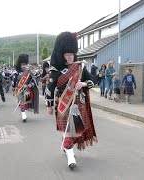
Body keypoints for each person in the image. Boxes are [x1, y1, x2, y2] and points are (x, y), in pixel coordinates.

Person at [45, 32, 97, 170]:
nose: (69, 57)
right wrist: (49, 106)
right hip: (62, 103)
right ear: (62, 54)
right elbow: (49, 88)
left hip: (78, 104)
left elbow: (93, 80)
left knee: (75, 131)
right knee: (68, 131)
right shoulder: (55, 70)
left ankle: (66, 144)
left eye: (71, 54)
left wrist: (83, 84)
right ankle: (70, 157)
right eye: (67, 55)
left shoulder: (80, 67)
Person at [12, 54, 39, 122]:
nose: (23, 66)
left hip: (27, 90)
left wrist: (30, 85)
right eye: (22, 64)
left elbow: (34, 81)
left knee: (26, 102)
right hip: (19, 90)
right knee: (22, 102)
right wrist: (13, 89)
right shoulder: (16, 73)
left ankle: (24, 112)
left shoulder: (29, 73)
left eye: (24, 64)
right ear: (20, 65)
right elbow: (14, 82)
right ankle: (23, 115)